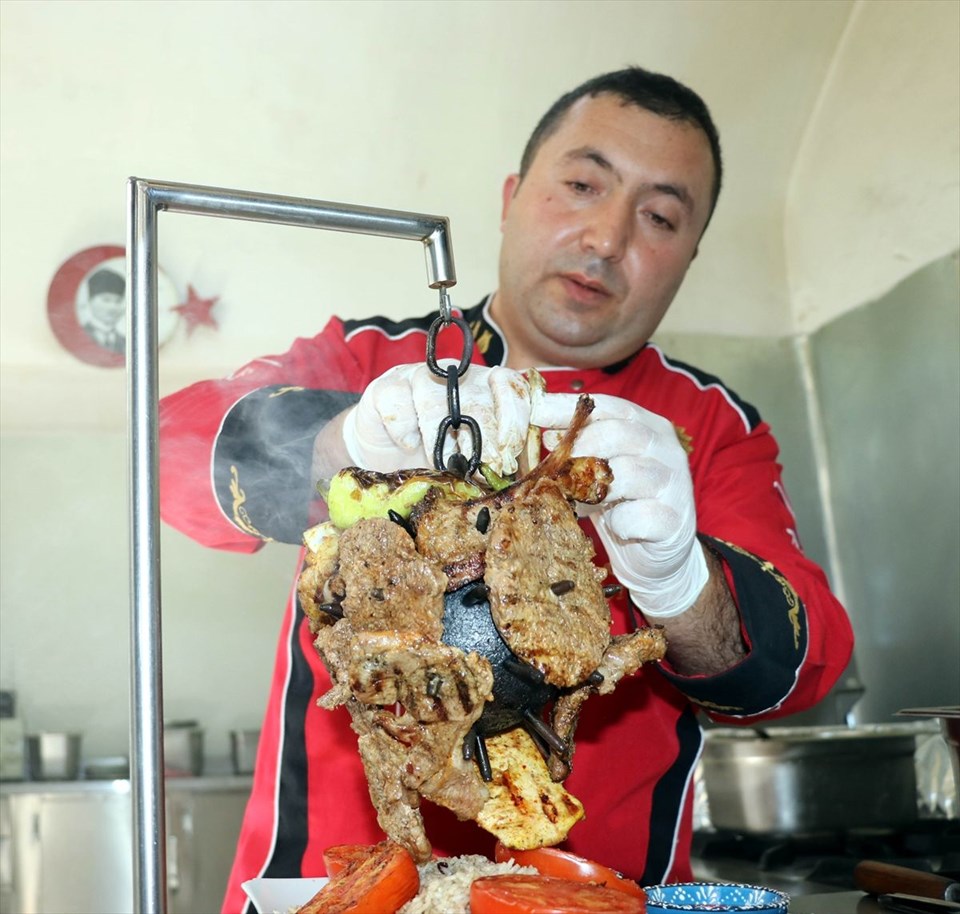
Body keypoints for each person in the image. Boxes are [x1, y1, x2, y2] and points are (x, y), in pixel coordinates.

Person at [159, 67, 853, 912]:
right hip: (334, 886)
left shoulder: (708, 428)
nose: (605, 236)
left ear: (690, 256)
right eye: (582, 184)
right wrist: (344, 437)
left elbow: (807, 664)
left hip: (593, 892)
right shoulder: (370, 358)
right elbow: (169, 458)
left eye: (660, 216)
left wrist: (679, 579)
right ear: (513, 195)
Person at [81, 268, 126, 353]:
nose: (113, 307)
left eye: (118, 301)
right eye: (106, 300)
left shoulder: (127, 342)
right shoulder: (77, 335)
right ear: (90, 301)